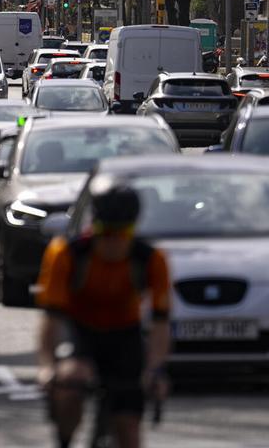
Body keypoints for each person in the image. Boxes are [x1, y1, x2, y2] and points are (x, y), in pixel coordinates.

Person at [36, 181, 171, 448]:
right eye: (104, 232)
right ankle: (64, 440)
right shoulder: (66, 254)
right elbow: (50, 319)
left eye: (122, 233)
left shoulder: (151, 259)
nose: (113, 242)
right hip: (81, 330)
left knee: (129, 432)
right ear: (93, 226)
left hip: (125, 335)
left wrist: (155, 370)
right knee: (71, 381)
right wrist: (47, 367)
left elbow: (160, 324)